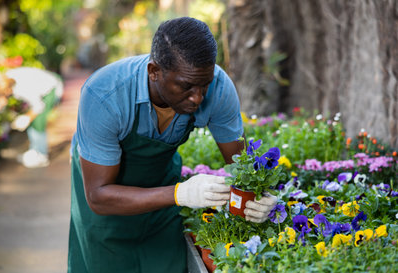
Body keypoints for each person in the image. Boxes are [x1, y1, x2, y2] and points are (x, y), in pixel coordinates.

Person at [68, 17, 277, 273]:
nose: (198, 97)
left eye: (205, 85)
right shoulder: (105, 95)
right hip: (107, 200)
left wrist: (261, 197)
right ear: (154, 71)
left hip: (161, 184)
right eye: (186, 86)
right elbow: (99, 197)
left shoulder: (219, 88)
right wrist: (180, 194)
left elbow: (242, 164)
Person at [0, 66, 64, 168]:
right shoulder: (7, 79)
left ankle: (42, 155)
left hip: (51, 88)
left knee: (38, 121)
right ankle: (35, 149)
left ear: (7, 90)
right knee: (33, 120)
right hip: (42, 87)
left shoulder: (23, 88)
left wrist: (27, 118)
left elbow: (38, 106)